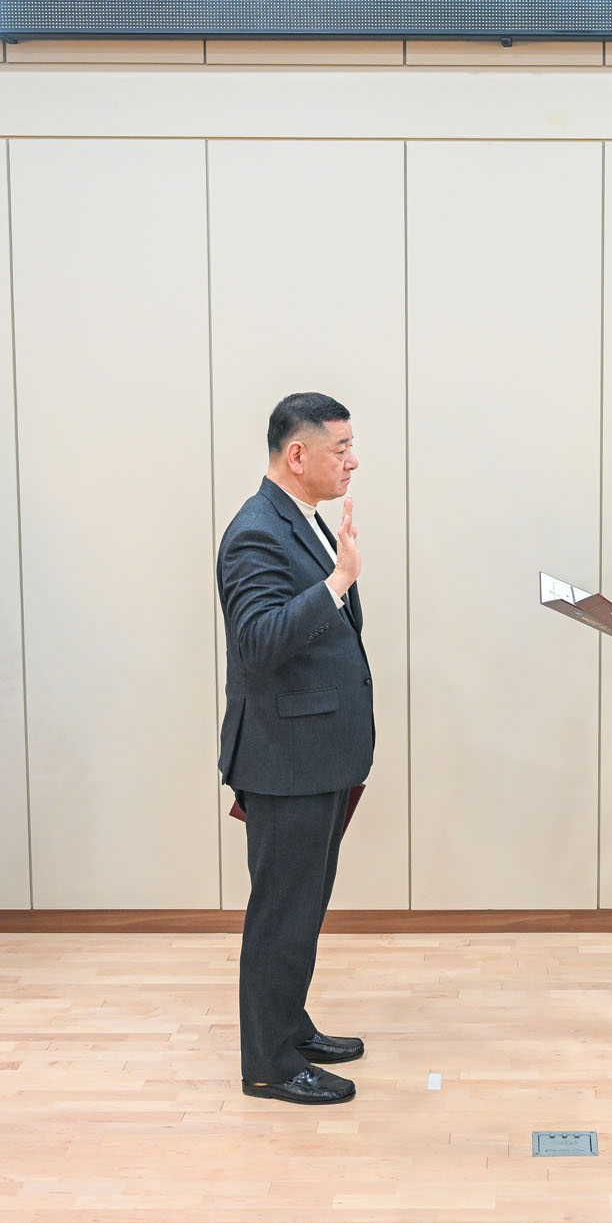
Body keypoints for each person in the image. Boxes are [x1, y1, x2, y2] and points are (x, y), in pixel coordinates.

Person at [217, 392, 374, 1105]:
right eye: (341, 448)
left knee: (302, 905)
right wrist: (339, 581)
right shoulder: (255, 531)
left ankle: (289, 1025)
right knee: (280, 911)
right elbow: (258, 641)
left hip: (317, 754)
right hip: (286, 759)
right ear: (298, 454)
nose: (352, 460)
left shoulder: (296, 518)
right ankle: (270, 1064)